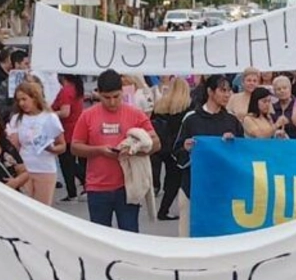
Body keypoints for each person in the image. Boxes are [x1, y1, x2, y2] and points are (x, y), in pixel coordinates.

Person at [71, 69, 160, 232]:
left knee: (129, 236)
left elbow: (156, 143)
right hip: (97, 187)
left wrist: (135, 150)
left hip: (127, 186)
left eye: (116, 97)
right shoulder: (88, 115)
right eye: (106, 98)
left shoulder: (135, 114)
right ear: (98, 94)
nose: (112, 102)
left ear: (123, 92)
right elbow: (75, 147)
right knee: (100, 238)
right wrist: (99, 151)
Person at [173, 75, 244, 237]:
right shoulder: (191, 119)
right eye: (222, 90)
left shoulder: (232, 120)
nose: (227, 95)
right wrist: (186, 148)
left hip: (222, 189)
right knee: (188, 236)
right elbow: (176, 154)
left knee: (221, 236)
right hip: (192, 187)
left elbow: (242, 154)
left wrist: (233, 145)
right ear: (210, 92)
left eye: (229, 91)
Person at [6, 82, 66, 206]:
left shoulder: (50, 117)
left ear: (34, 98)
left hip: (44, 168)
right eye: (19, 100)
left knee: (42, 208)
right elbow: (15, 145)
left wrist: (52, 149)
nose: (22, 103)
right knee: (24, 207)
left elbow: (62, 145)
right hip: (24, 169)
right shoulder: (17, 118)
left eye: (24, 99)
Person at [151, 77, 191, 221]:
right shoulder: (186, 106)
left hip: (163, 145)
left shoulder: (161, 104)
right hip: (177, 147)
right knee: (176, 180)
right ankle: (164, 210)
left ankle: (163, 209)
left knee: (170, 178)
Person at [52, 74, 86, 202]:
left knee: (67, 163)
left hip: (67, 131)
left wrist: (48, 114)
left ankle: (73, 191)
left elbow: (65, 112)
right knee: (70, 162)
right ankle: (79, 186)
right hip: (76, 129)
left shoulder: (66, 91)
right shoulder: (76, 88)